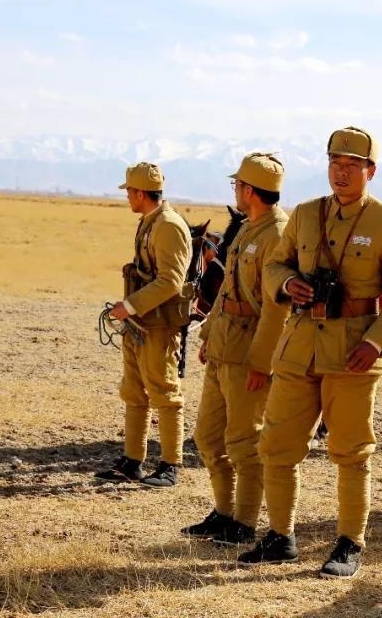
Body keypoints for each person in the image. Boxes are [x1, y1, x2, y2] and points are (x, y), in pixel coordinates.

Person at [239, 127, 382, 579]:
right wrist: (285, 283)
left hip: (353, 353)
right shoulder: (303, 215)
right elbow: (276, 264)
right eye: (334, 163)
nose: (341, 172)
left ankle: (349, 543)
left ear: (370, 171)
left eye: (351, 166)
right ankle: (281, 537)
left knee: (351, 451)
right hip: (299, 347)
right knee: (277, 446)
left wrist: (376, 343)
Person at [182, 153, 290, 545]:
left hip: (249, 355)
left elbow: (277, 310)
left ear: (248, 190)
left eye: (237, 186)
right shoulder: (248, 228)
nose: (235, 192)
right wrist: (209, 333)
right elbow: (228, 290)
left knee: (244, 442)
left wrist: (263, 362)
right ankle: (223, 512)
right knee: (209, 437)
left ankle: (243, 523)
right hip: (224, 347)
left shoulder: (278, 234)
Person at [95, 162, 191, 487]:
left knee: (164, 391)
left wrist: (131, 304)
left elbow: (171, 281)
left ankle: (170, 465)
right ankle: (132, 461)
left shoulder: (169, 226)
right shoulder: (149, 222)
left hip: (159, 325)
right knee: (134, 391)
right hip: (138, 323)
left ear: (139, 193)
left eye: (129, 192)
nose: (127, 198)